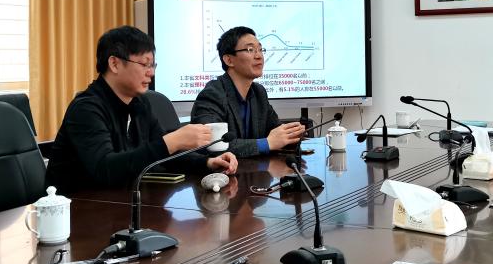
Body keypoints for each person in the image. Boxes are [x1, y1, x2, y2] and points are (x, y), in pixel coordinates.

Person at [46, 26, 238, 192]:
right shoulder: (86, 108)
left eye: (153, 65)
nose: (151, 72)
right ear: (114, 63)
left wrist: (207, 162)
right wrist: (172, 141)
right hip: (78, 209)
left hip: (120, 203)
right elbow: (105, 169)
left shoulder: (139, 104)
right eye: (144, 64)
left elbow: (163, 156)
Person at [191, 26, 307, 158]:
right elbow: (213, 145)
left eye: (260, 49)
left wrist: (292, 135)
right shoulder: (212, 94)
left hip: (255, 169)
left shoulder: (259, 92)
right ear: (229, 60)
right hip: (222, 171)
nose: (259, 56)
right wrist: (267, 143)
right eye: (250, 50)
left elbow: (275, 131)